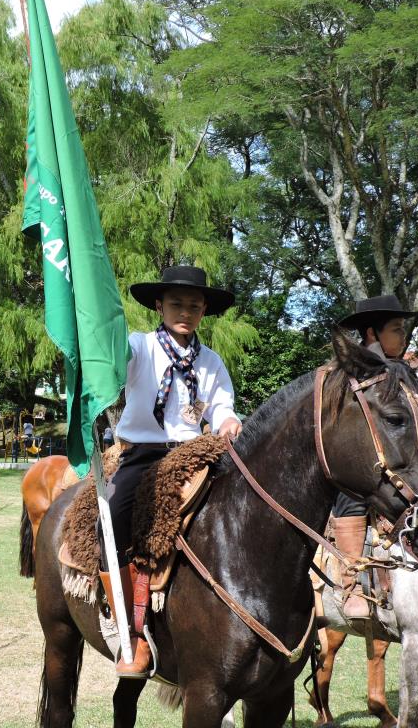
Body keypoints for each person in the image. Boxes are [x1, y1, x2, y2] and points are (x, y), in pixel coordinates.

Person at [104, 265, 241, 678]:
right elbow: (109, 362)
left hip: (195, 452)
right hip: (143, 452)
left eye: (195, 306)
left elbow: (221, 406)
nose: (186, 311)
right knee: (110, 521)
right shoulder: (138, 347)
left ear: (204, 312)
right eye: (177, 304)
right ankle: (129, 630)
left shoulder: (211, 361)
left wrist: (228, 423)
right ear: (159, 306)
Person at [333, 294, 415, 620]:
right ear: (372, 334)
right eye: (396, 329)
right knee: (351, 493)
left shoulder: (403, 370)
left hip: (399, 461)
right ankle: (351, 584)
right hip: (358, 460)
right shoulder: (349, 372)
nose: (403, 336)